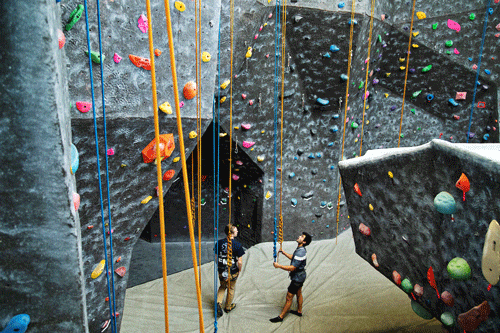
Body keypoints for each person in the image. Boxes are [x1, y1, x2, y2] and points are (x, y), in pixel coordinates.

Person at [270, 232, 312, 322]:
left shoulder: (301, 251)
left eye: (301, 237)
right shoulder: (301, 249)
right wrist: (284, 253)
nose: (299, 237)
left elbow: (293, 268)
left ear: (304, 242)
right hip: (301, 276)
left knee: (289, 297)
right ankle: (299, 311)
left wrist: (279, 266)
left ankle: (281, 317)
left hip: (297, 278)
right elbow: (294, 258)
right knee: (299, 293)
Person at [215, 224, 245, 318]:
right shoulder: (237, 245)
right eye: (236, 230)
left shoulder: (219, 243)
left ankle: (218, 303)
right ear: (231, 233)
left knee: (223, 286)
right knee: (231, 288)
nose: (237, 232)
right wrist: (239, 270)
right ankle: (228, 307)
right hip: (232, 271)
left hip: (221, 270)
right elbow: (239, 262)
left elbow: (216, 258)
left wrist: (220, 267)